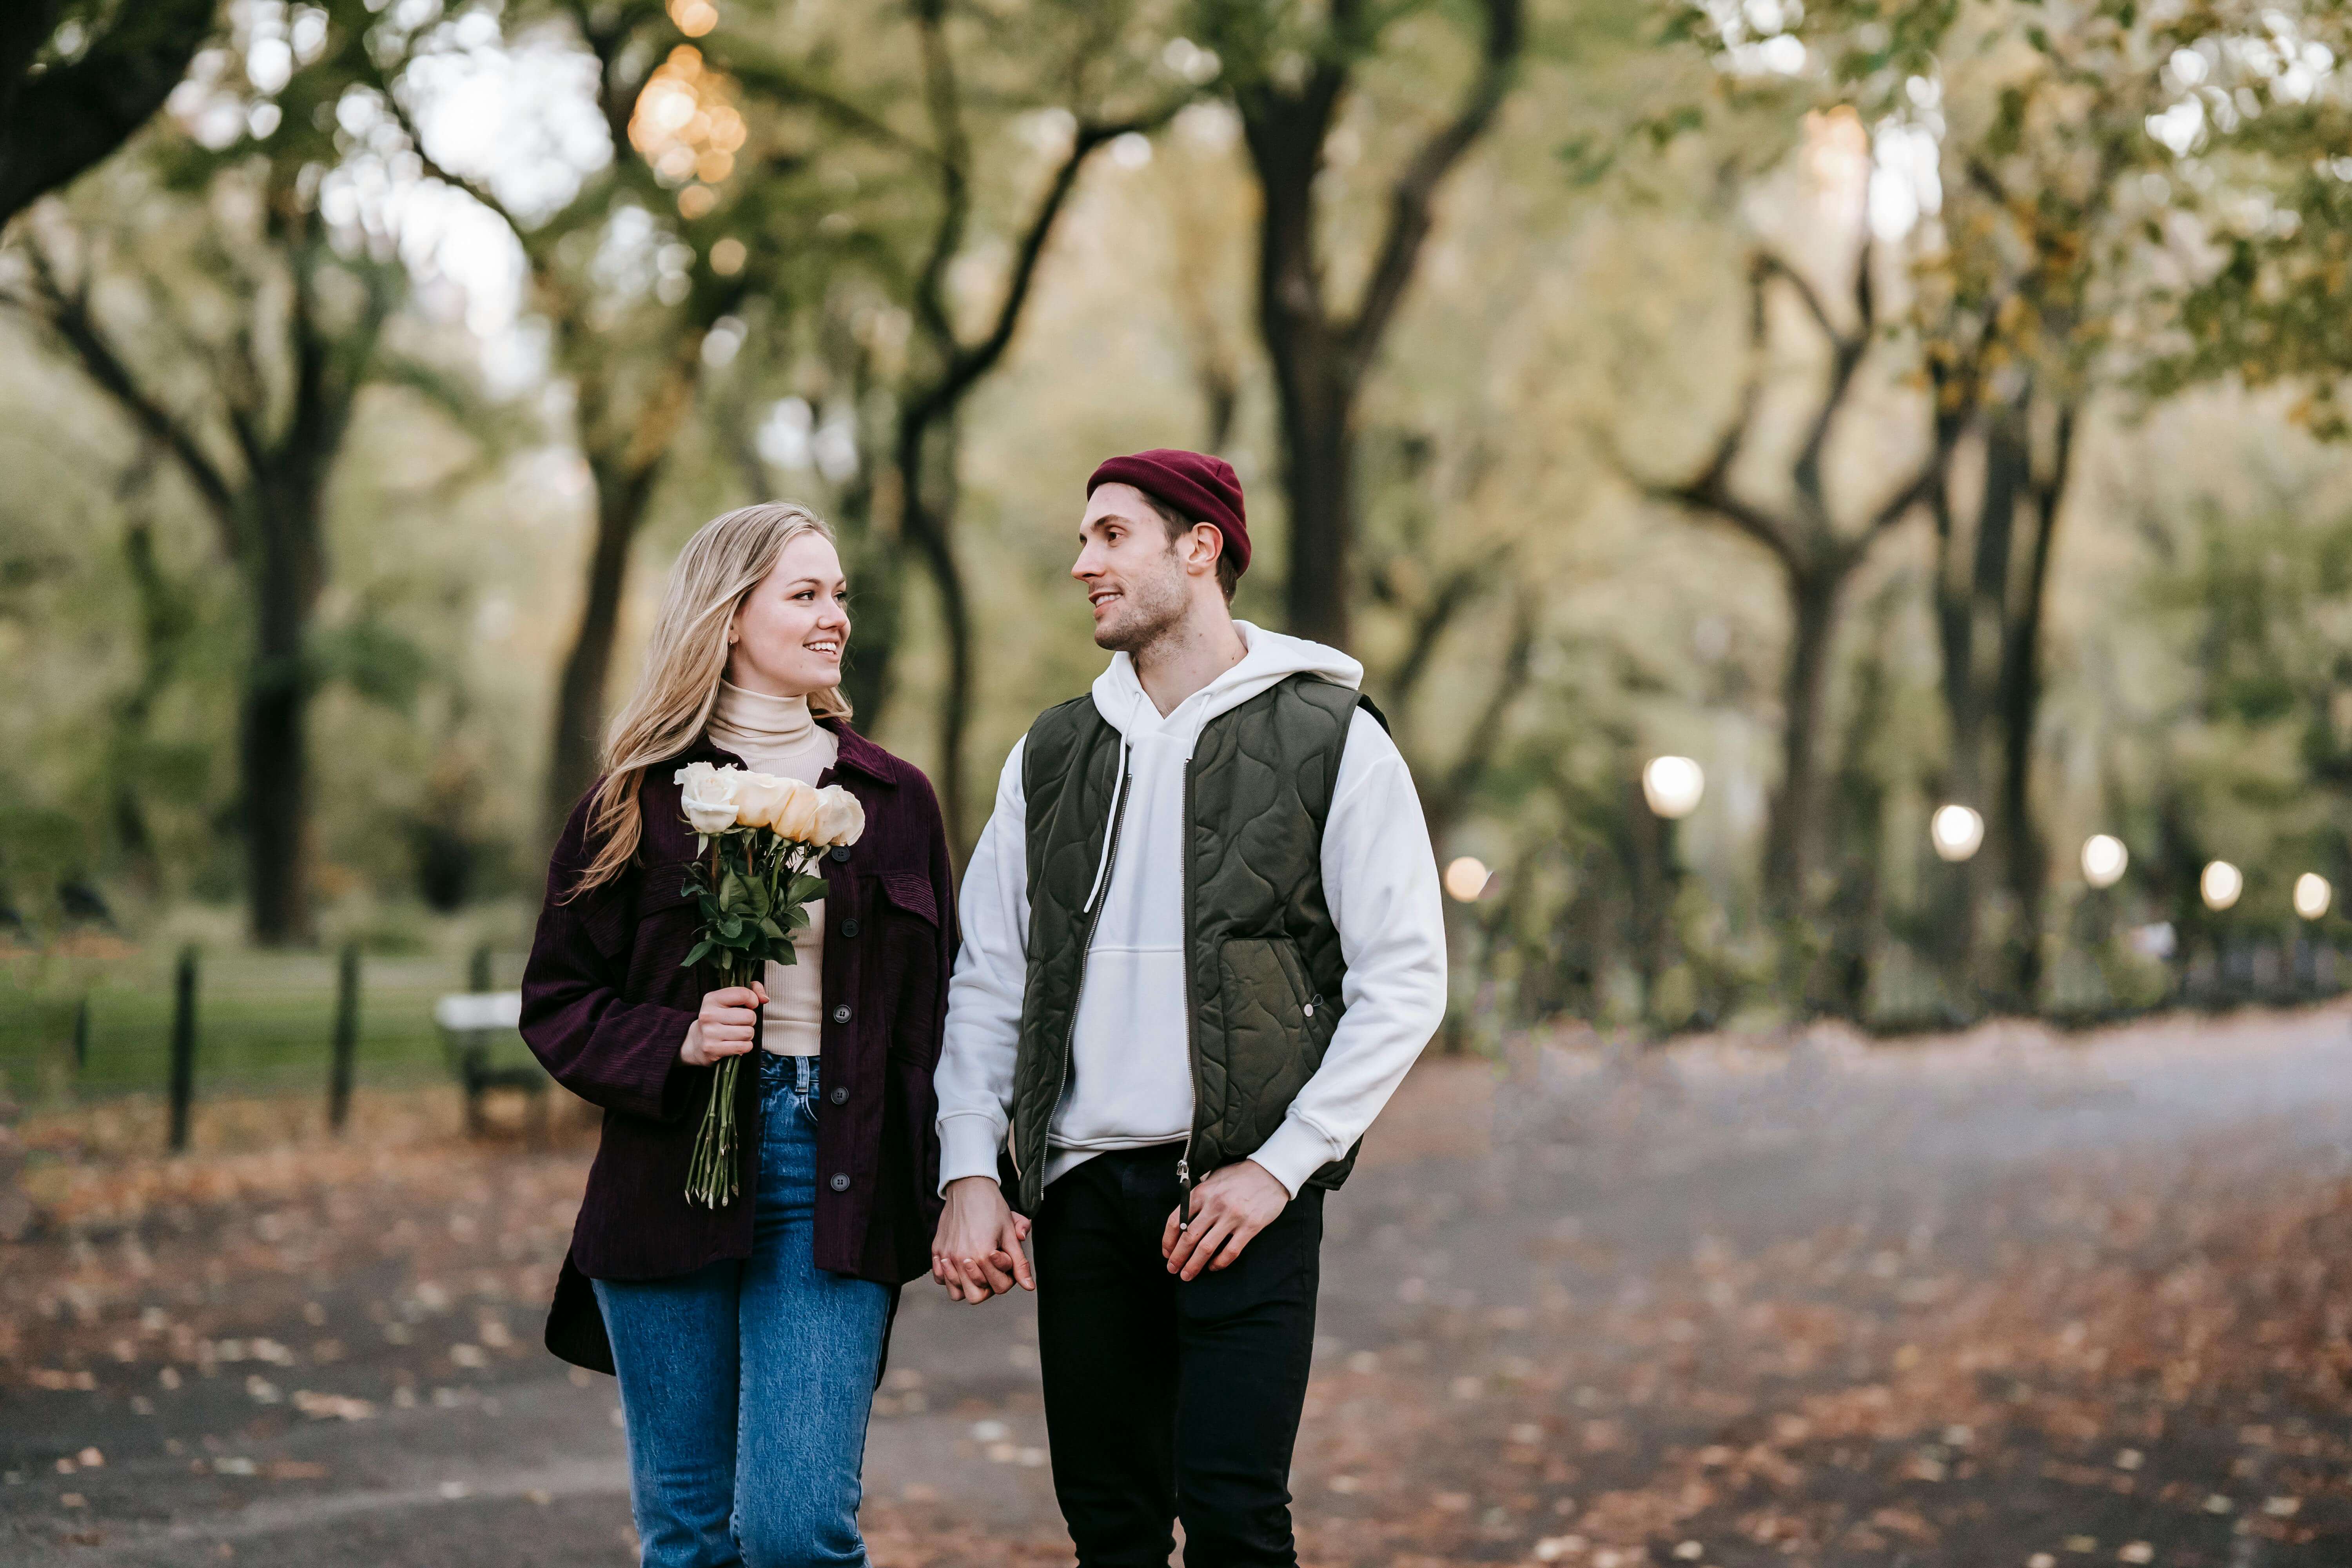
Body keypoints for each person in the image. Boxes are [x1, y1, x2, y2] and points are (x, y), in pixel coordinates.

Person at [929, 450, 1448, 1566]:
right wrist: (973, 1168)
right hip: (1077, 1202)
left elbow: (1405, 977)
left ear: (1199, 547)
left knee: (1235, 1521)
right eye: (1083, 540)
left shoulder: (1333, 736)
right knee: (1111, 1532)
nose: (1083, 564)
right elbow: (989, 977)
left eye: (1112, 536)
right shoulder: (1052, 754)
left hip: (1238, 1201)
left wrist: (1281, 1166)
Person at [521, 502, 954, 1568]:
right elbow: (557, 998)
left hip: (835, 1173)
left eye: (839, 594)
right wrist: (672, 1039)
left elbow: (941, 1014)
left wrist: (962, 1181)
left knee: (798, 1531)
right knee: (687, 1538)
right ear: (727, 617)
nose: (834, 617)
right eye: (804, 594)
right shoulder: (633, 801)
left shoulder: (894, 801)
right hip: (669, 1177)